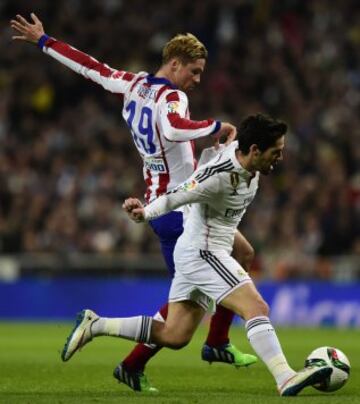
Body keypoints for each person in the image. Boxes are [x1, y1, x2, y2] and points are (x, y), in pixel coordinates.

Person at [11, 13, 257, 392]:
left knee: (241, 254)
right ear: (173, 63)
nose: (197, 79)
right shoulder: (174, 96)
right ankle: (119, 336)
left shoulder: (134, 84)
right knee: (178, 322)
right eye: (194, 70)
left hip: (168, 203)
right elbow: (174, 129)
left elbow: (90, 67)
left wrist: (45, 41)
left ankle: (214, 343)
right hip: (177, 211)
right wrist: (216, 126)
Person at [60, 113, 332, 396]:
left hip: (196, 250)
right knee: (257, 308)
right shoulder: (217, 176)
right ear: (254, 151)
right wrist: (144, 213)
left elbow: (231, 141)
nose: (279, 158)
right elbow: (176, 195)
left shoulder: (248, 162)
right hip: (205, 252)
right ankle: (285, 376)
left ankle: (96, 324)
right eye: (276, 152)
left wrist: (223, 136)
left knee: (174, 335)